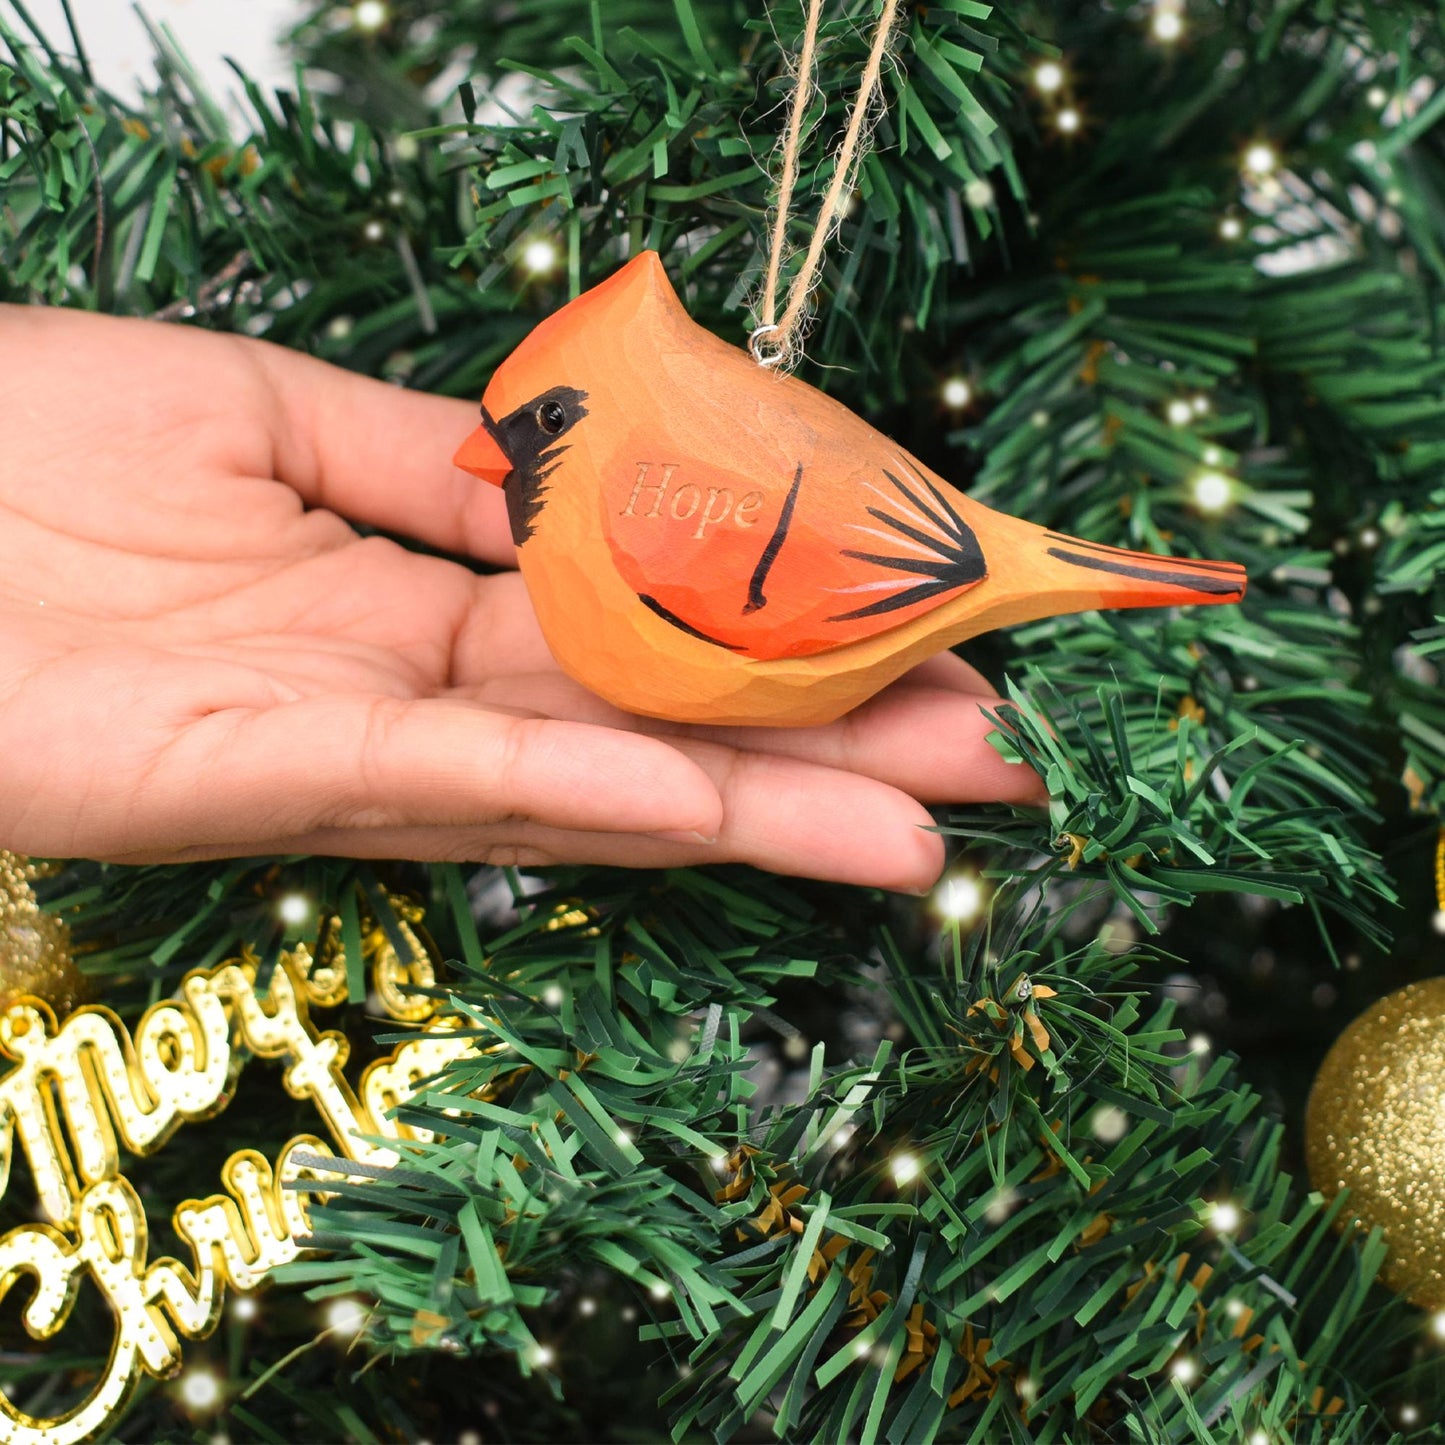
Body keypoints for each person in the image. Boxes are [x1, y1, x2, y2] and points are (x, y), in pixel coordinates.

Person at [0, 305, 1044, 891]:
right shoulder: (581, 535)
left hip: (906, 572)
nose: (492, 455)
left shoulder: (650, 512)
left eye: (534, 429)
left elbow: (802, 584)